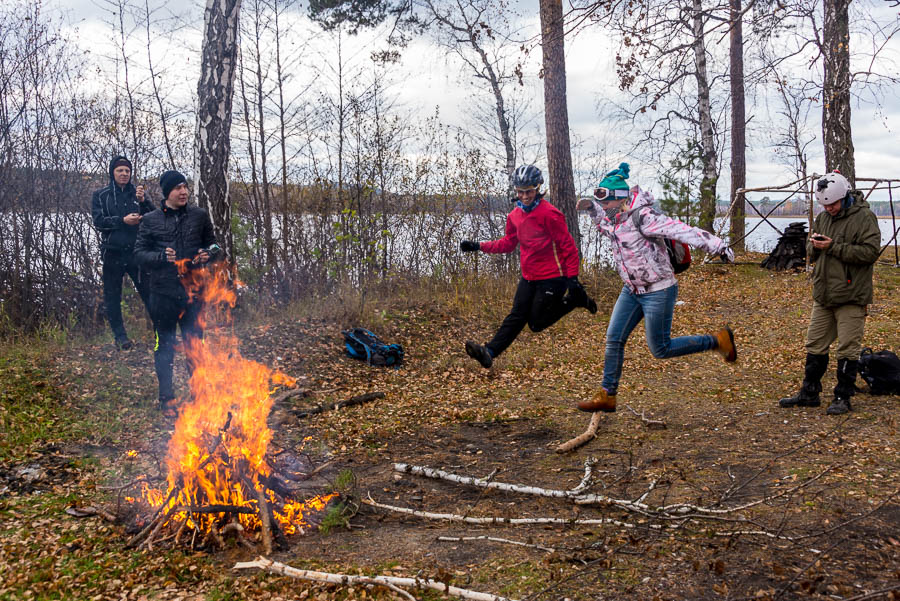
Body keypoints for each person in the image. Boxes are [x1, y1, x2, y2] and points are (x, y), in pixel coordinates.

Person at [575, 163, 736, 413]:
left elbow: (681, 230)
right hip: (631, 290)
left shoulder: (644, 217)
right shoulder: (613, 218)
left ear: (618, 199)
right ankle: (608, 395)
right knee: (614, 339)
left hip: (658, 290)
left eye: (605, 202)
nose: (603, 207)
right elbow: (607, 229)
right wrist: (591, 209)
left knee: (660, 348)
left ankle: (717, 341)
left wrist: (718, 246)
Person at [460, 164, 597, 369]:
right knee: (517, 315)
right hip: (529, 276)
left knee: (536, 323)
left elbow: (568, 248)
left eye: (529, 191)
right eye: (521, 192)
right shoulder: (514, 216)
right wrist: (479, 246)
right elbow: (508, 243)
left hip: (554, 276)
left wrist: (573, 279)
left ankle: (575, 300)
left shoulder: (550, 214)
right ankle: (489, 352)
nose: (525, 196)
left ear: (538, 188)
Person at [778, 171, 881, 415]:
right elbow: (810, 248)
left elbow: (870, 253)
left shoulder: (865, 217)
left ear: (844, 197)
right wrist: (812, 246)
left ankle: (843, 397)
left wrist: (833, 247)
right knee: (815, 343)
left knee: (847, 348)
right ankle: (809, 392)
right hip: (824, 293)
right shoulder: (824, 217)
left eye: (833, 204)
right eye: (825, 205)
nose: (830, 209)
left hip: (851, 295)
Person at [134, 170, 217, 415]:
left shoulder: (199, 216)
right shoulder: (150, 219)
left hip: (194, 294)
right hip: (163, 294)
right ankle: (167, 399)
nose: (183, 192)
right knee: (165, 346)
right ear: (166, 192)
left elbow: (214, 244)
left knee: (195, 345)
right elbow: (138, 254)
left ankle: (199, 394)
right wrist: (160, 257)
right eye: (177, 188)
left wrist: (209, 254)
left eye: (185, 187)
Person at [91, 155, 154, 350]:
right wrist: (122, 221)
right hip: (112, 252)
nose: (124, 174)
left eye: (127, 171)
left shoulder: (138, 193)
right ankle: (121, 338)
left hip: (136, 252)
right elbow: (99, 222)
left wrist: (143, 202)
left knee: (149, 292)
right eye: (120, 170)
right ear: (113, 172)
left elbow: (153, 218)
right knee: (113, 296)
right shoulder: (101, 195)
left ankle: (162, 333)